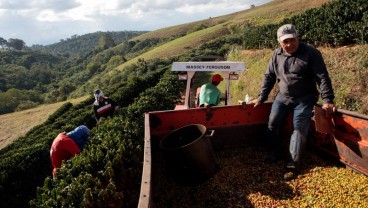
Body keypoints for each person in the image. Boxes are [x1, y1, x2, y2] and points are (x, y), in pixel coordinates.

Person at [250, 24, 336, 180]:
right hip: (283, 97)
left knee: (298, 129)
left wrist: (327, 100)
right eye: (285, 41)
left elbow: (322, 77)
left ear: (298, 38)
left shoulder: (310, 53)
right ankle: (274, 152)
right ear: (279, 42)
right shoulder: (276, 55)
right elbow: (269, 77)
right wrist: (262, 97)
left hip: (304, 98)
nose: (289, 44)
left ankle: (293, 165)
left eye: (292, 40)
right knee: (273, 123)